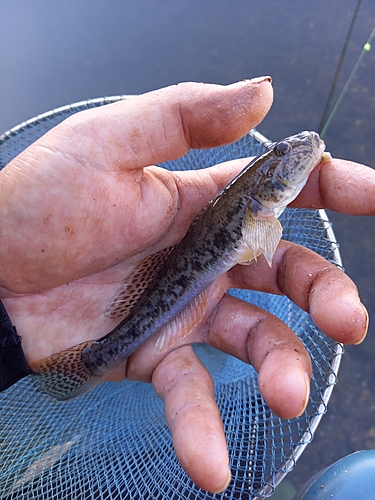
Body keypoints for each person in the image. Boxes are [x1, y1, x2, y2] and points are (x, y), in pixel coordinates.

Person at [0, 78, 372, 494]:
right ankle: (92, 362)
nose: (290, 152)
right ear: (264, 186)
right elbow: (260, 241)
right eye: (280, 152)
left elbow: (258, 238)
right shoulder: (256, 207)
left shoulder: (259, 205)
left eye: (282, 153)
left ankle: (90, 362)